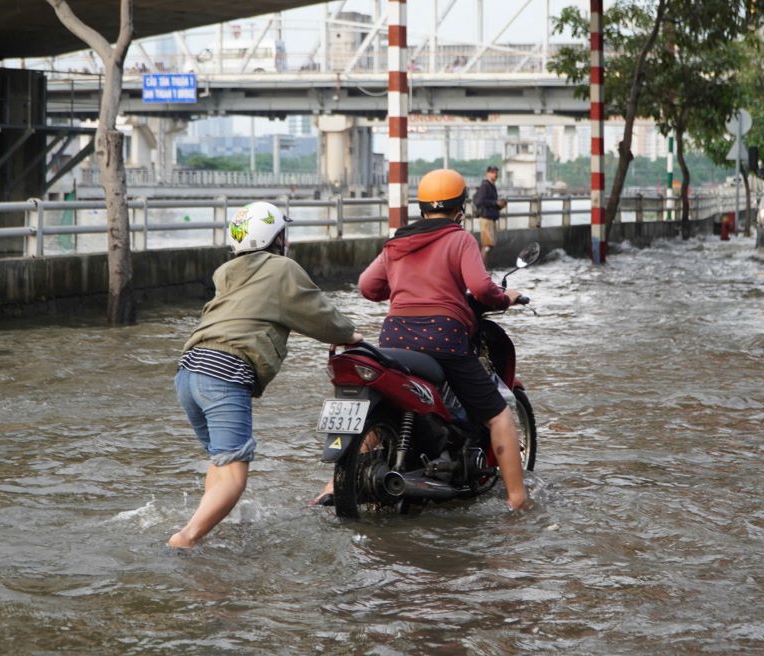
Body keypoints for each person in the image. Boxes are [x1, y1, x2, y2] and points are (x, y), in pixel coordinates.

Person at [316, 169, 528, 511]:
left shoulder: (398, 241)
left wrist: (400, 285)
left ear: (422, 207)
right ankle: (519, 503)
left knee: (380, 401)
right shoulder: (459, 239)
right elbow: (483, 288)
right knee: (498, 416)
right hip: (444, 340)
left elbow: (369, 286)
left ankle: (331, 483)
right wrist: (507, 298)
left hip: (394, 338)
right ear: (461, 209)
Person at [170, 201, 362, 548]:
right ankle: (185, 539)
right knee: (235, 474)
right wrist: (349, 335)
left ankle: (205, 529)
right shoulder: (281, 269)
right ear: (275, 237)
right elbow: (319, 314)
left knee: (221, 460)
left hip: (189, 370)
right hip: (225, 370)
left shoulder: (228, 272)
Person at [473, 165, 506, 262]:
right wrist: (495, 203)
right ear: (487, 173)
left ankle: (483, 269)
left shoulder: (491, 186)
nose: (495, 174)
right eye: (493, 172)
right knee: (487, 246)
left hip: (490, 218)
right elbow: (480, 202)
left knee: (489, 245)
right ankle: (482, 269)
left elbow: (487, 202)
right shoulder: (485, 186)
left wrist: (499, 205)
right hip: (486, 219)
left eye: (496, 172)